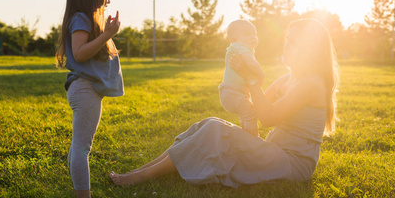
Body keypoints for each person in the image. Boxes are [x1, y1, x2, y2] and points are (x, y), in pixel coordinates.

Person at [110, 18, 339, 188]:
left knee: (214, 129)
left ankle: (141, 177)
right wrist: (236, 81)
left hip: (292, 163)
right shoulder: (287, 79)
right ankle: (142, 170)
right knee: (209, 123)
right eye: (287, 40)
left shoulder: (312, 83)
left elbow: (268, 117)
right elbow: (256, 107)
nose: (286, 46)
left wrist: (250, 77)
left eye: (294, 43)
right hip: (274, 152)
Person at [56, 0, 123, 198]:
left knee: (79, 146)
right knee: (83, 147)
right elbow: (80, 53)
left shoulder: (82, 18)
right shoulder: (81, 19)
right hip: (84, 89)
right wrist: (107, 35)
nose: (107, 0)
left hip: (84, 89)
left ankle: (80, 194)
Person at [219, 20, 264, 137]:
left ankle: (245, 137)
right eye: (247, 34)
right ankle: (253, 141)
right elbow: (251, 64)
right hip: (234, 92)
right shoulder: (239, 46)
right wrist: (261, 74)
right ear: (233, 39)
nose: (252, 37)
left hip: (232, 92)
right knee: (250, 114)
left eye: (254, 34)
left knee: (246, 115)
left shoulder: (241, 47)